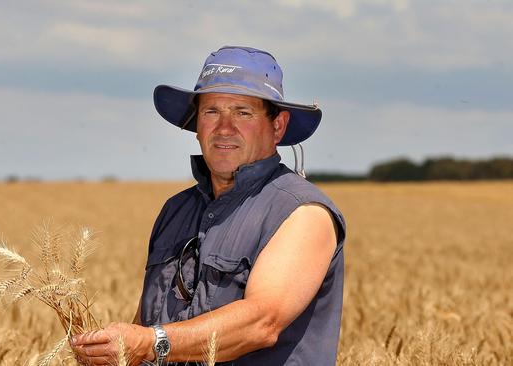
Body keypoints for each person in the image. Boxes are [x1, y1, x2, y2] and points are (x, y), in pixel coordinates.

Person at [71, 46, 346, 366]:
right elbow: (145, 327)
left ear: (278, 126)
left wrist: (149, 343)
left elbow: (262, 323)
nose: (224, 128)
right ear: (197, 124)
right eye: (212, 111)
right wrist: (110, 352)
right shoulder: (176, 211)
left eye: (243, 112)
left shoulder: (303, 212)